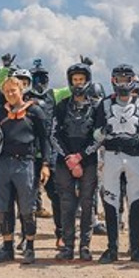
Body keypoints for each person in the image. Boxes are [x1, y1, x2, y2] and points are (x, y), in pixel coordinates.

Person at [0, 72, 50, 264]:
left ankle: (30, 248)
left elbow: (45, 141)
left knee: (27, 207)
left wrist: (45, 165)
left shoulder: (35, 112)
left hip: (25, 163)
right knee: (3, 206)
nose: (10, 94)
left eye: (13, 90)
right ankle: (7, 247)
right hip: (2, 163)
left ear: (21, 90)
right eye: (7, 91)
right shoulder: (1, 112)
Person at [93, 64, 139, 263]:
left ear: (132, 80)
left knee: (136, 201)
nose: (122, 83)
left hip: (135, 157)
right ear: (113, 81)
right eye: (118, 79)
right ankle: (112, 248)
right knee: (111, 201)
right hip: (111, 156)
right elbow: (95, 135)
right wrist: (104, 131)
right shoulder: (103, 105)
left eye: (126, 79)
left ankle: (136, 248)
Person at [49, 62, 101, 261]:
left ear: (87, 81)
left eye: (81, 79)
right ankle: (67, 246)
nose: (78, 83)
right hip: (65, 160)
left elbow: (99, 135)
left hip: (88, 159)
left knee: (88, 203)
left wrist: (81, 156)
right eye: (75, 80)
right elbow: (53, 135)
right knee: (67, 204)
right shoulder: (61, 106)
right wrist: (69, 158)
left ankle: (85, 246)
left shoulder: (97, 107)